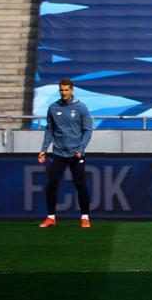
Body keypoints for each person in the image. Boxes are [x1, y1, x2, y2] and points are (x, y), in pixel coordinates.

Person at [37, 77, 94, 228]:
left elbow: (87, 131)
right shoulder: (53, 108)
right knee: (52, 184)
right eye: (61, 90)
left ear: (72, 90)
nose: (63, 92)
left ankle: (85, 217)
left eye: (66, 90)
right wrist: (43, 150)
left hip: (76, 154)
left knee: (80, 185)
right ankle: (51, 217)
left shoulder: (81, 108)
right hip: (58, 152)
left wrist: (81, 148)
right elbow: (49, 130)